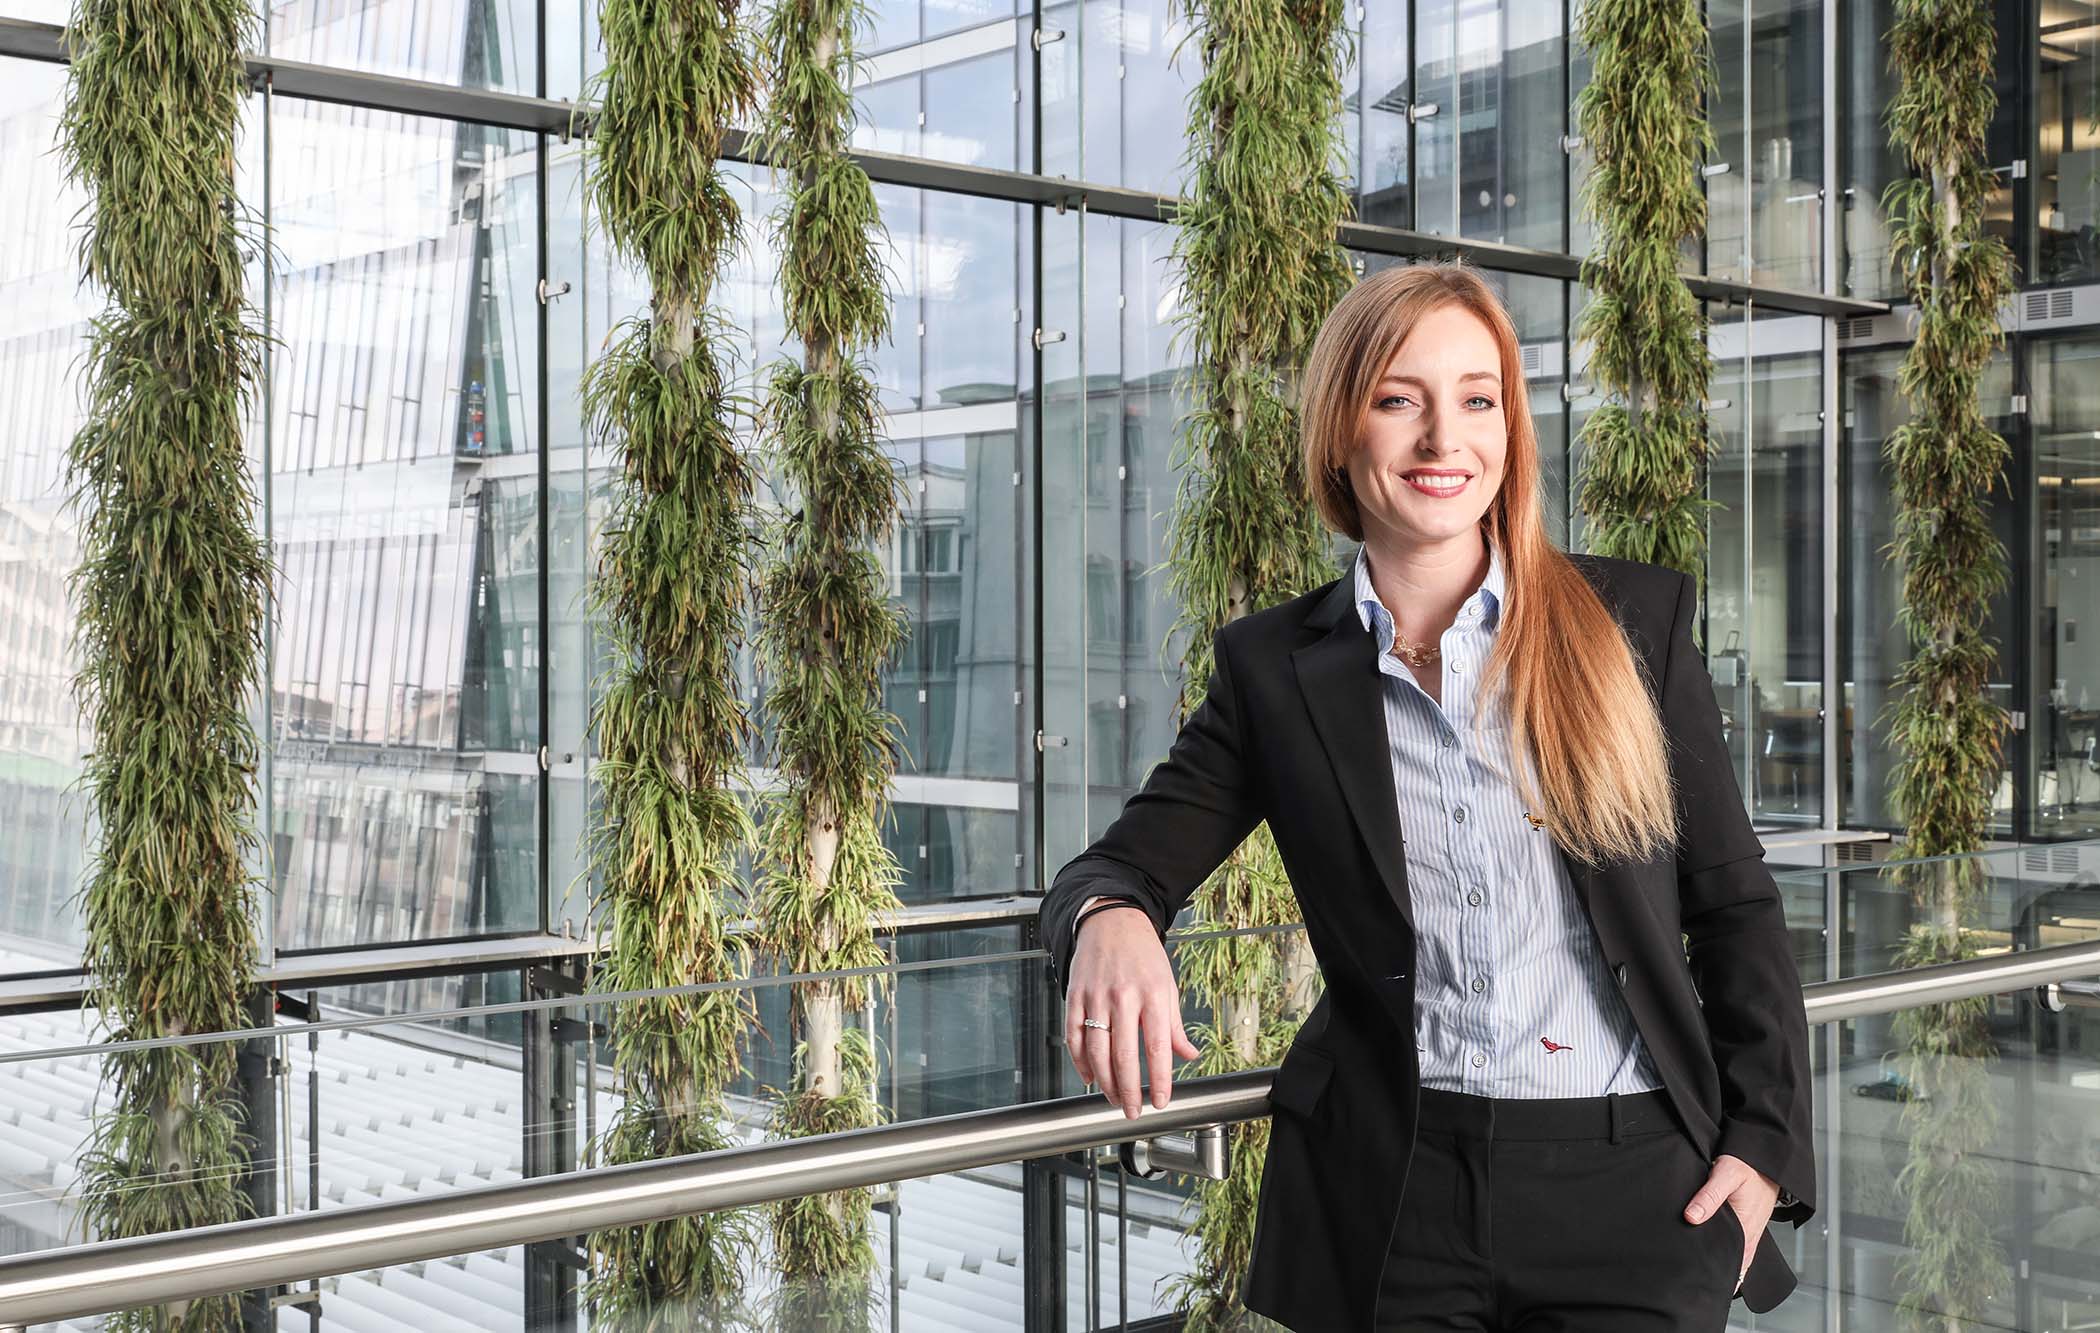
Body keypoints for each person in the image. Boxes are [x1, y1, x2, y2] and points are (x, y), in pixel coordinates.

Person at [1037, 259, 1816, 1331]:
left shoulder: (1630, 623)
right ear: (1340, 434)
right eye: (1400, 400)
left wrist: (1761, 1148)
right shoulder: (1276, 672)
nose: (1446, 441)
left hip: (1634, 1185)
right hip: (1394, 1198)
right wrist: (1110, 919)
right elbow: (1119, 862)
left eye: (1477, 400)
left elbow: (1735, 905)